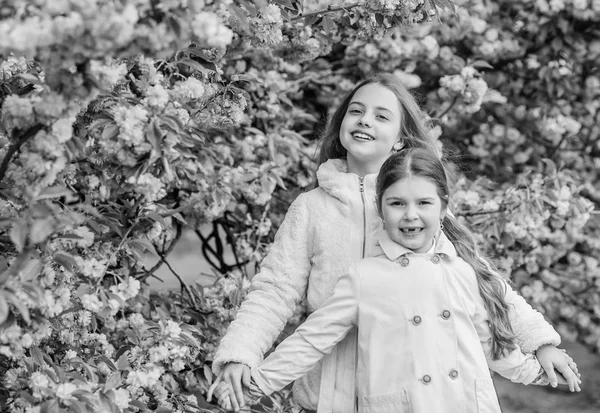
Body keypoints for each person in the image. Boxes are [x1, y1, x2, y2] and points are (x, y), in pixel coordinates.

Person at [207, 73, 579, 412]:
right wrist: (242, 354)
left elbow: (484, 284)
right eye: (356, 111)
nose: (365, 120)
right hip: (332, 387)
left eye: (381, 116)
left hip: (416, 385)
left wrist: (540, 343)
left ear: (401, 137)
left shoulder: (418, 207)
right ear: (341, 125)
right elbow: (274, 289)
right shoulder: (311, 209)